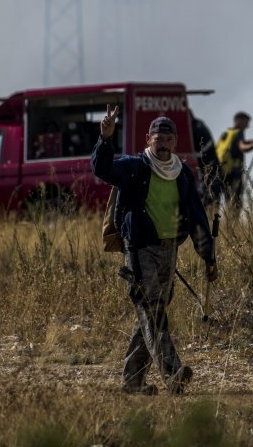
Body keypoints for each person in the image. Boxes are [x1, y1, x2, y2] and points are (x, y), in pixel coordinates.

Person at [91, 106, 218, 395]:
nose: (162, 143)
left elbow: (197, 218)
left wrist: (209, 257)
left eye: (167, 138)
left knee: (146, 318)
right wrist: (105, 139)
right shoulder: (134, 167)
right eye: (157, 138)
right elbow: (102, 168)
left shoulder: (183, 173)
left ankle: (132, 382)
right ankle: (172, 374)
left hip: (169, 251)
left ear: (175, 143)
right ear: (148, 140)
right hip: (139, 250)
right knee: (154, 312)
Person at [216, 111, 253, 212]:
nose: (248, 125)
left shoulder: (226, 134)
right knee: (235, 203)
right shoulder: (239, 133)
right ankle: (233, 226)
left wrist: (250, 141)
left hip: (221, 173)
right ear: (239, 121)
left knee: (224, 201)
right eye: (246, 122)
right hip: (234, 174)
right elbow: (242, 147)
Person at [190, 112, 223, 208]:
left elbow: (204, 147)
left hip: (209, 167)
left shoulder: (197, 126)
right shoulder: (197, 125)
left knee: (211, 195)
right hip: (207, 167)